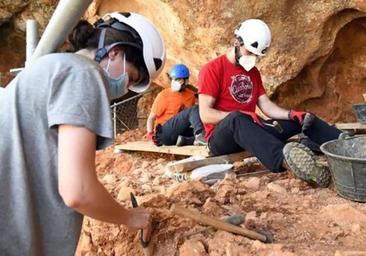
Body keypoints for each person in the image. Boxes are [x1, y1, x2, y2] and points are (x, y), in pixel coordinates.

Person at [0, 12, 165, 255]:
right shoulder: (83, 74)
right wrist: (130, 218)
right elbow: (78, 191)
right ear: (115, 52)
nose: (124, 89)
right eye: (130, 77)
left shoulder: (53, 68)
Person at [198, 19, 342, 187]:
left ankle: (346, 145)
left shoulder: (252, 72)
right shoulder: (212, 69)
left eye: (256, 55)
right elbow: (205, 115)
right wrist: (240, 116)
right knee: (237, 119)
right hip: (221, 139)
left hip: (252, 131)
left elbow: (265, 105)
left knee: (305, 119)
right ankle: (289, 162)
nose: (252, 58)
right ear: (237, 42)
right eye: (249, 53)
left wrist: (291, 114)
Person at [146, 64, 206, 146]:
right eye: (173, 79)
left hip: (178, 132)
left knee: (208, 132)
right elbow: (151, 118)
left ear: (186, 81)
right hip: (164, 132)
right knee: (194, 109)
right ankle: (199, 135)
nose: (174, 82)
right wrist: (150, 135)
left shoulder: (190, 95)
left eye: (178, 79)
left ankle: (186, 140)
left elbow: (190, 119)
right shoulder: (164, 95)